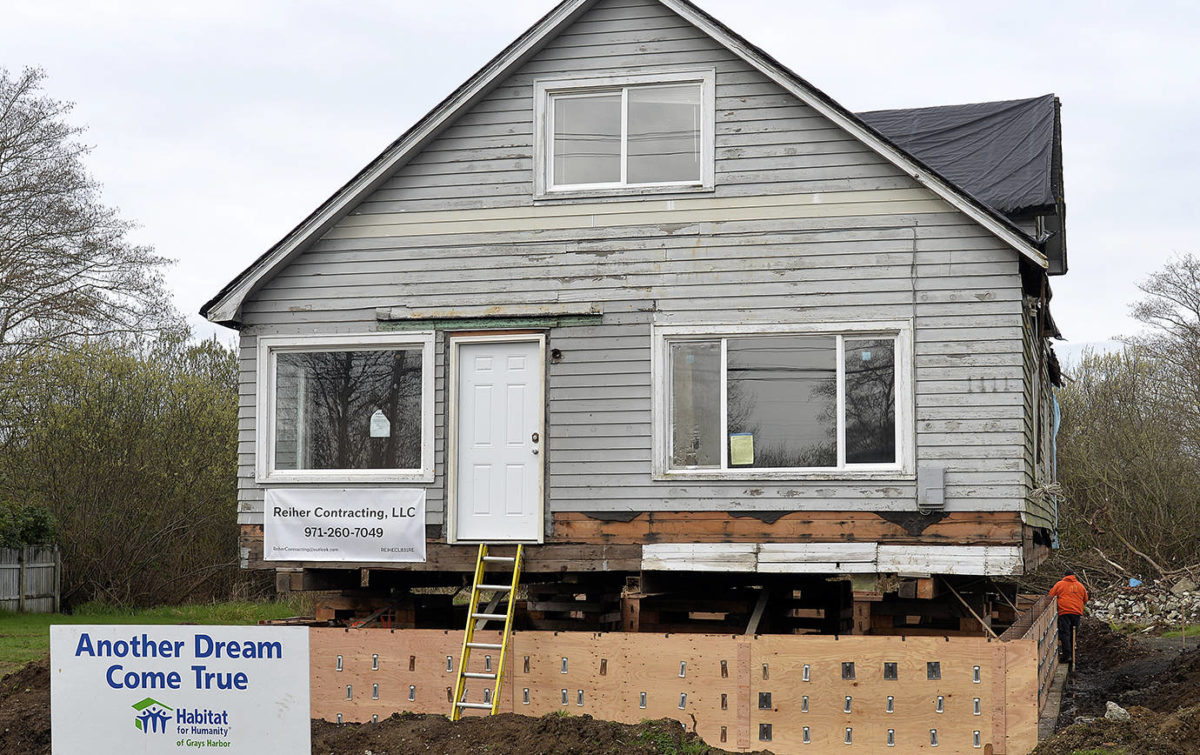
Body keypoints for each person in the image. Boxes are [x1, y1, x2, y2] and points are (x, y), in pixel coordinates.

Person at [1049, 569, 1089, 665]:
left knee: (1064, 634)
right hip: (1076, 613)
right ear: (1073, 575)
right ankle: (1072, 653)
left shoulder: (1059, 584)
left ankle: (1067, 656)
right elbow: (1085, 599)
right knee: (1073, 633)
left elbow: (1050, 596)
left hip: (1064, 612)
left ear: (1064, 575)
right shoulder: (1080, 586)